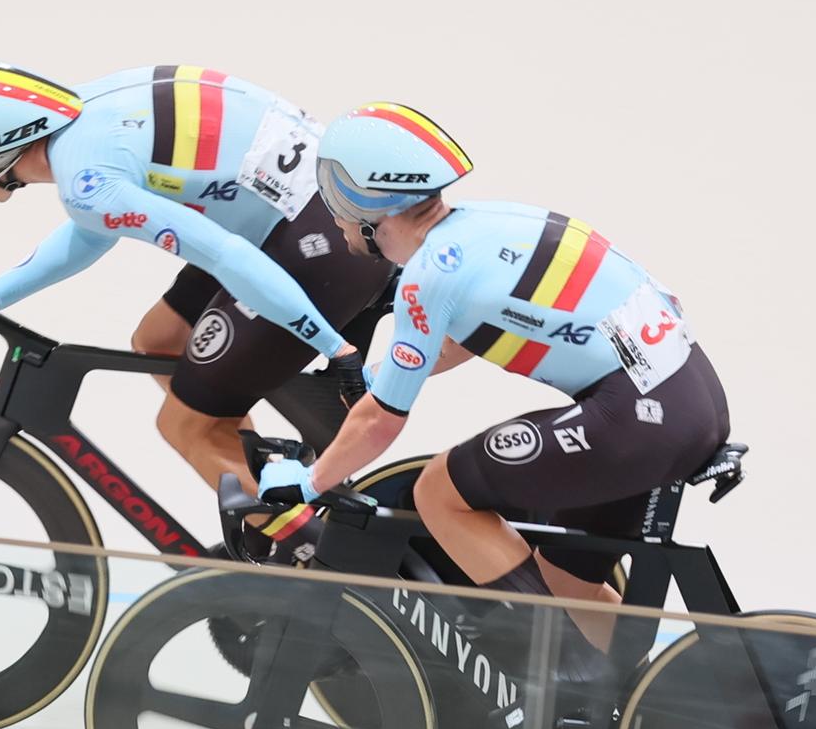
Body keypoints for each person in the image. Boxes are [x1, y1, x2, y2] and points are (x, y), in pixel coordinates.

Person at [259, 101, 730, 668]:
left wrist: (310, 483)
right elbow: (470, 332)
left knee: (439, 492)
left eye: (335, 192)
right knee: (564, 574)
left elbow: (382, 423)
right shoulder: (487, 224)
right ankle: (641, 695)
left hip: (634, 417)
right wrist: (382, 377)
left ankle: (552, 674)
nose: (329, 211)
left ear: (370, 202)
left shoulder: (430, 274)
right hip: (686, 398)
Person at [0, 61, 391, 492]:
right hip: (302, 218)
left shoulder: (87, 179)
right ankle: (262, 480)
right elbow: (89, 232)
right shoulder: (86, 116)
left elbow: (224, 256)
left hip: (323, 241)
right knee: (161, 340)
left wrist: (335, 348)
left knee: (184, 426)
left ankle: (301, 559)